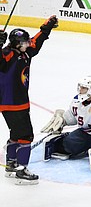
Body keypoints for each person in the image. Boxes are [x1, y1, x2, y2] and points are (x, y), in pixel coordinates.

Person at [0, 15, 59, 185]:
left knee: (16, 134)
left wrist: (46, 27)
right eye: (24, 42)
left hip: (17, 103)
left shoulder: (25, 53)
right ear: (17, 43)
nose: (28, 44)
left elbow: (36, 42)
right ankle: (21, 170)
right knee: (26, 135)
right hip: (13, 103)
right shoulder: (7, 54)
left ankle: (11, 164)